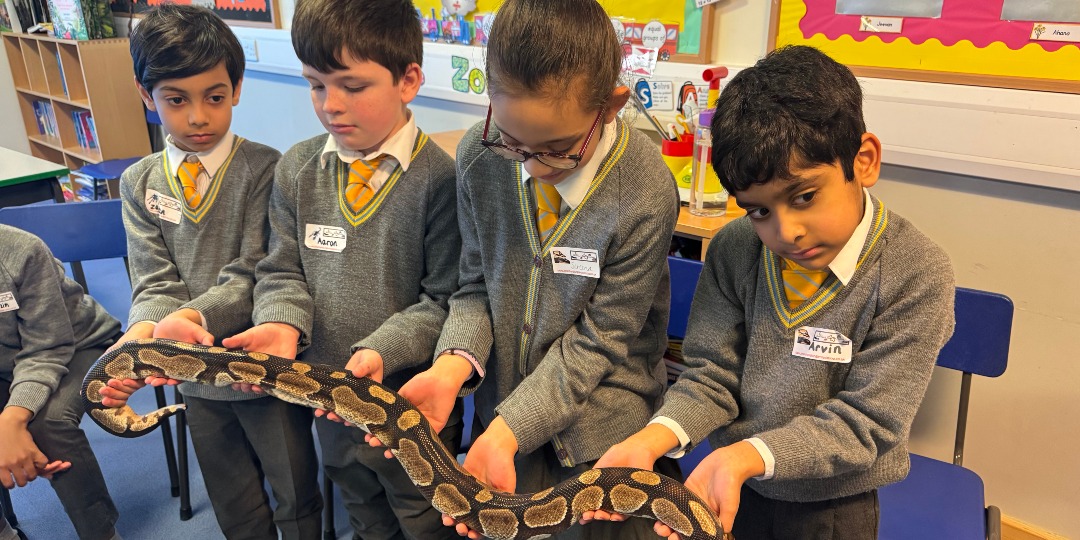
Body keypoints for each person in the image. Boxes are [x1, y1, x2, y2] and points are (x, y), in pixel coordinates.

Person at [594, 45, 957, 540]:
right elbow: (711, 376)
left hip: (831, 507)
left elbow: (867, 423)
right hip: (731, 486)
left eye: (804, 196)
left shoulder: (916, 272)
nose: (787, 231)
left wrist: (746, 456)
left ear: (864, 160)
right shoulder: (735, 251)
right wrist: (654, 438)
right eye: (758, 211)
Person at [382, 0, 680, 538]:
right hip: (501, 421)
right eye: (512, 141)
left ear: (611, 107)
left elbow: (601, 340)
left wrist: (509, 428)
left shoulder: (645, 190)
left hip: (599, 441)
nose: (533, 165)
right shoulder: (478, 157)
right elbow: (475, 288)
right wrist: (452, 366)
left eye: (559, 149)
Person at [220, 0, 462, 538]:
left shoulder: (440, 182)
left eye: (352, 86)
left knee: (424, 520)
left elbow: (445, 299)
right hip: (329, 401)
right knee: (362, 511)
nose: (331, 105)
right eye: (315, 85)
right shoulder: (298, 168)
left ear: (409, 80)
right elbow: (282, 270)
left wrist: (380, 350)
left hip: (412, 406)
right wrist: (283, 321)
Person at [96, 5, 323, 539]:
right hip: (193, 380)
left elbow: (255, 274)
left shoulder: (266, 168)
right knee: (232, 497)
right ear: (145, 95)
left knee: (294, 492)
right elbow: (153, 279)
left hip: (266, 372)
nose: (198, 117)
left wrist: (187, 317)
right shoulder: (138, 182)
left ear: (237, 89)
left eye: (214, 97)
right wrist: (140, 334)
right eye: (176, 100)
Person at [0, 224, 123, 540]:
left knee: (49, 425)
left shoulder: (21, 250)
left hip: (74, 344)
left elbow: (47, 346)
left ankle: (101, 533)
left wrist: (13, 420)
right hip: (8, 361)